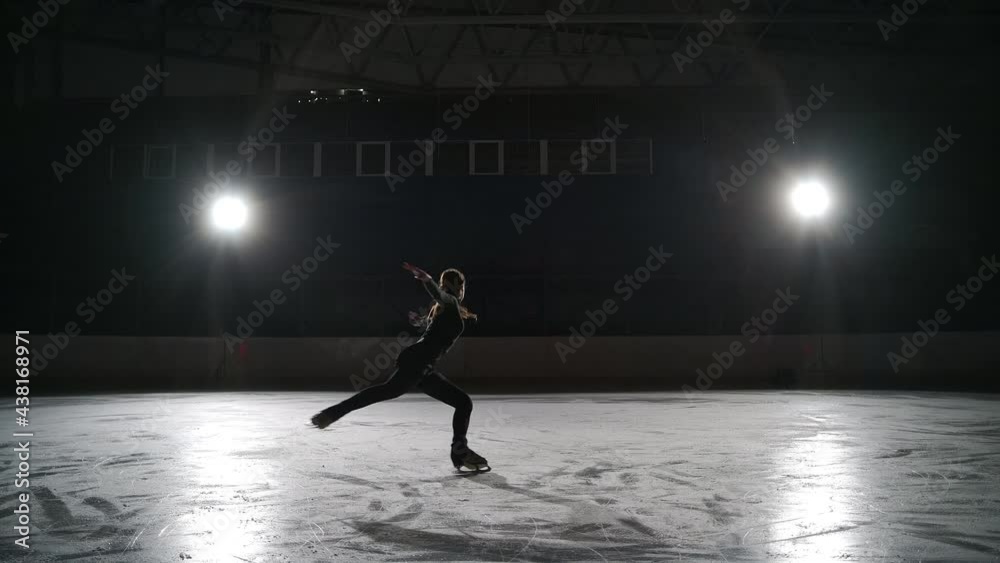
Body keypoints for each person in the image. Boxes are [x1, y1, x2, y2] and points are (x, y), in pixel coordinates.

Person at [310, 262, 489, 472]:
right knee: (387, 391)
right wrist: (427, 281)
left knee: (462, 402)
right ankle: (331, 414)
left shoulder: (446, 311)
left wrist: (418, 321)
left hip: (423, 366)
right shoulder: (448, 304)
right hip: (418, 362)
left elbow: (433, 326)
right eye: (462, 286)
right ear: (459, 287)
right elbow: (442, 297)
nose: (462, 291)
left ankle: (460, 452)